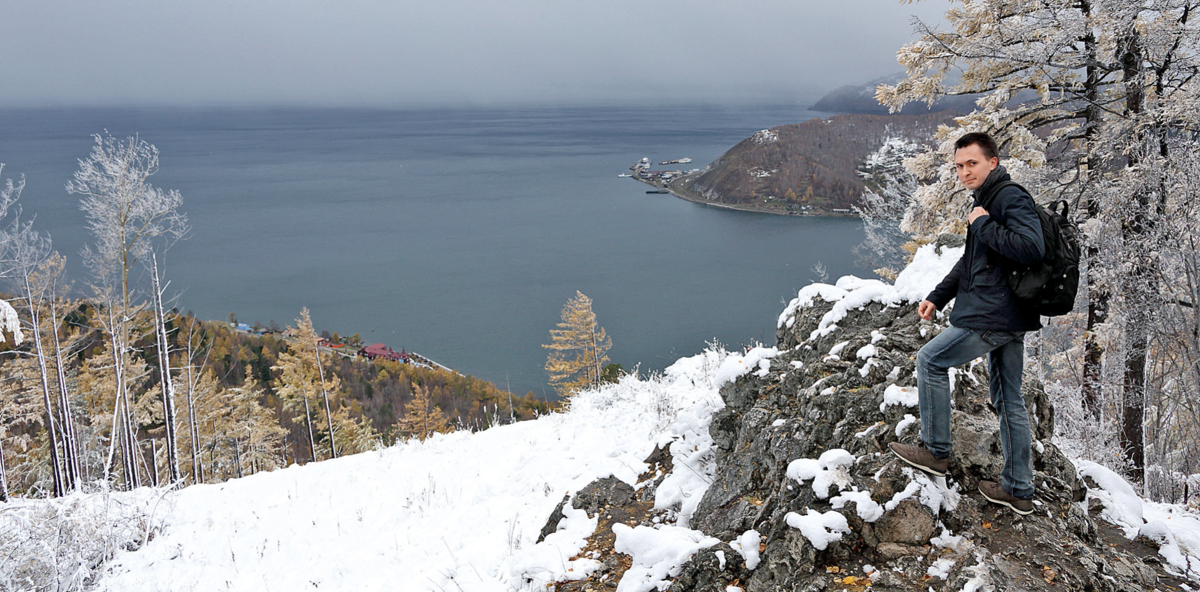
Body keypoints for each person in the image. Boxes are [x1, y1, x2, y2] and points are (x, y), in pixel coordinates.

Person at [889, 132, 1045, 515]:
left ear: (992, 161)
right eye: (958, 166)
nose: (963, 172)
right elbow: (971, 263)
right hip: (1008, 314)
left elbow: (1032, 247)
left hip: (995, 314)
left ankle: (935, 452)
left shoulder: (1009, 197)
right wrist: (937, 296)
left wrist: (982, 224)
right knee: (1008, 399)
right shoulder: (987, 201)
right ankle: (1019, 490)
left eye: (971, 163)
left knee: (930, 361)